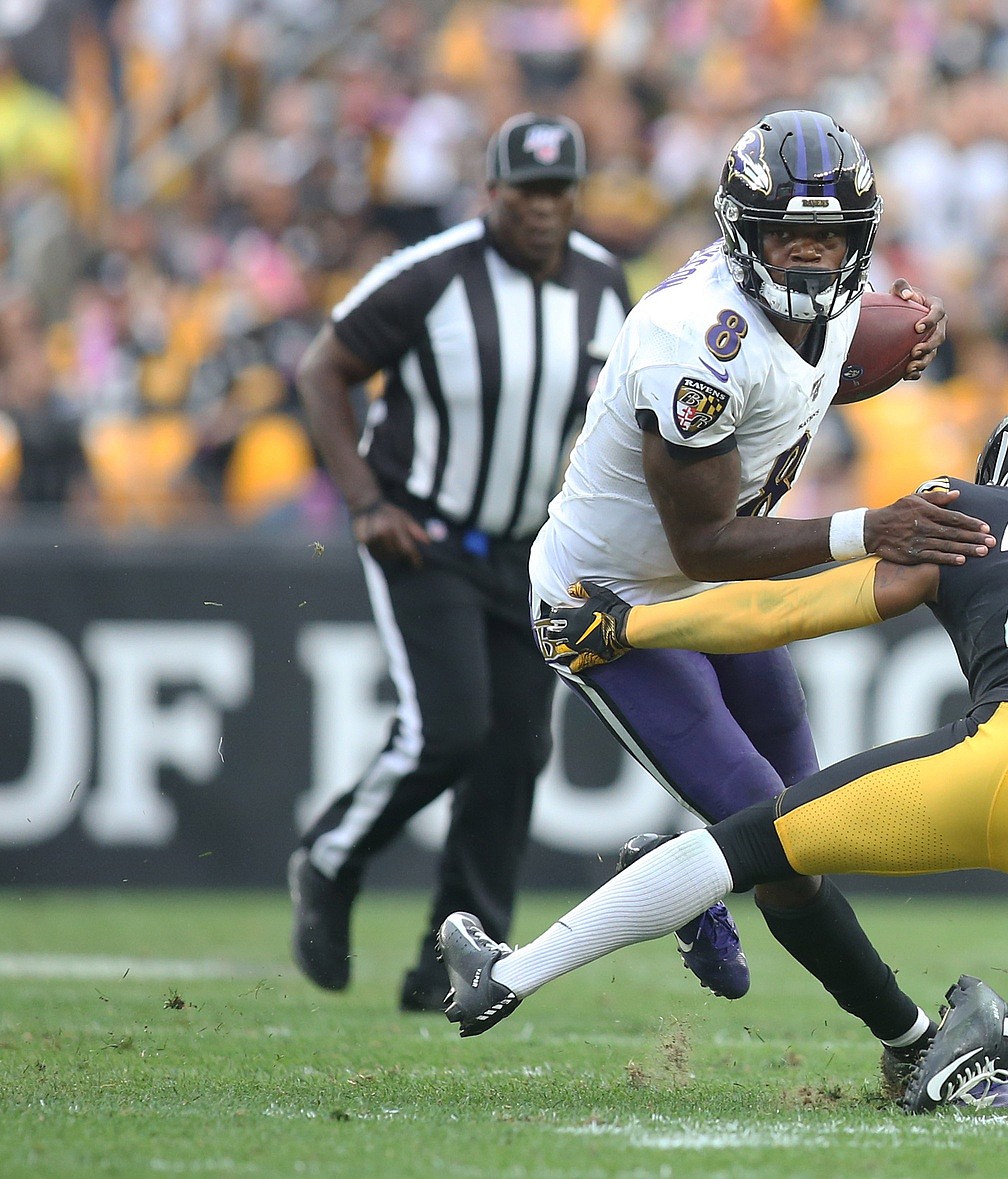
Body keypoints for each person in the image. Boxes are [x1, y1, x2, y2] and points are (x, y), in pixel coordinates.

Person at [442, 394, 1008, 1115]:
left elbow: (791, 611)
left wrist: (635, 623)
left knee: (744, 844)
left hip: (1002, 756)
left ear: (1006, 467)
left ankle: (506, 975)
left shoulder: (972, 515)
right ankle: (1007, 1040)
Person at [520, 108, 1008, 1101]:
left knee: (811, 820)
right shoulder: (692, 341)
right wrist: (866, 530)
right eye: (785, 232)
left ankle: (684, 871)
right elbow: (700, 535)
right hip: (613, 607)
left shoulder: (825, 310)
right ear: (741, 232)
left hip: (721, 583)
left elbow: (792, 389)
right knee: (774, 838)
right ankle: (912, 1043)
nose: (807, 253)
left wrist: (878, 363)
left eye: (827, 236)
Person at [288, 114, 631, 1011]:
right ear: (491, 193)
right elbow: (323, 370)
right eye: (526, 193)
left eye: (560, 193)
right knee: (448, 730)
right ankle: (330, 858)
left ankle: (456, 952)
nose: (544, 211)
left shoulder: (604, 283)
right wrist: (364, 500)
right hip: (427, 535)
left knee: (516, 747)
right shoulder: (430, 273)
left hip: (530, 552)